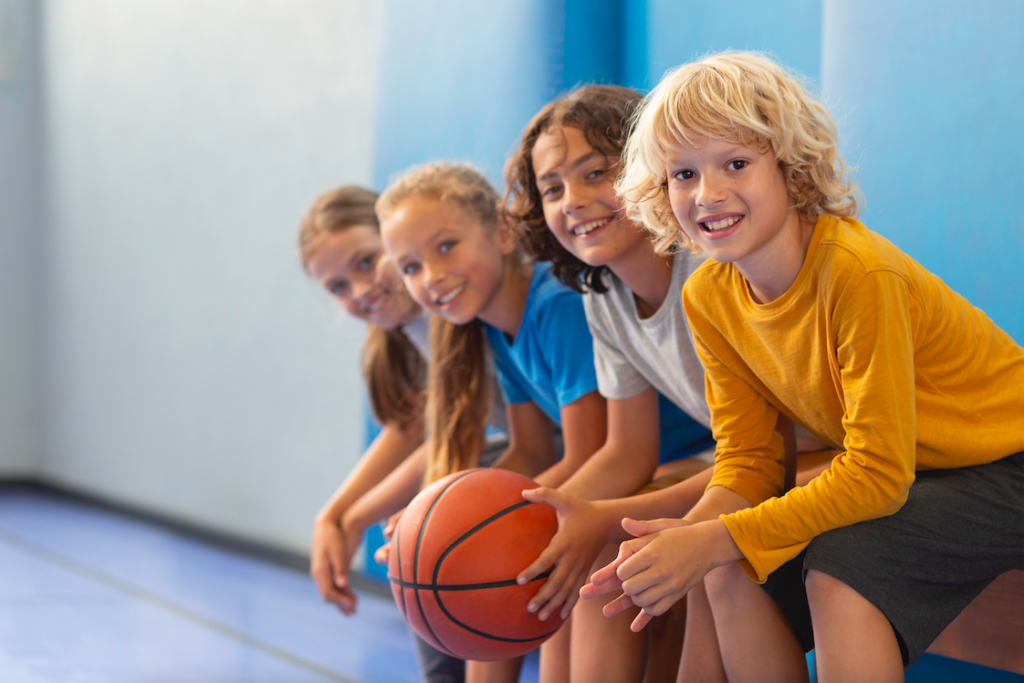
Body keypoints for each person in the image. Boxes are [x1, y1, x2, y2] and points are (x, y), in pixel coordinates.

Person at [583, 51, 1024, 683]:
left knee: (843, 564)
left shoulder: (857, 274)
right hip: (929, 475)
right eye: (683, 173)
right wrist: (681, 541)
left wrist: (713, 536)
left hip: (1009, 465)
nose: (707, 193)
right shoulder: (708, 297)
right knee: (728, 568)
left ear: (791, 170)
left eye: (736, 163)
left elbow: (877, 476)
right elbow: (751, 462)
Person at [504, 85, 834, 683]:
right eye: (552, 189)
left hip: (823, 459)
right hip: (752, 463)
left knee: (696, 547)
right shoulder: (603, 296)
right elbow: (627, 452)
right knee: (606, 548)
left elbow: (768, 455)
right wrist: (544, 522)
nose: (573, 201)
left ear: (652, 172)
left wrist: (606, 518)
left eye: (596, 173)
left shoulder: (713, 265)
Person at [376, 162, 611, 683]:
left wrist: (460, 528)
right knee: (470, 551)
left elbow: (591, 455)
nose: (431, 276)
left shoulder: (555, 305)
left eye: (446, 246)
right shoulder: (496, 326)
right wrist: (431, 521)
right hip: (619, 472)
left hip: (671, 463)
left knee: (496, 552)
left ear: (503, 234)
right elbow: (531, 451)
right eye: (410, 267)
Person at [300, 185, 504, 683]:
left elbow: (454, 435)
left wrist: (355, 518)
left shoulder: (449, 307)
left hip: (550, 447)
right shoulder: (401, 333)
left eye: (366, 262)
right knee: (424, 516)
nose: (359, 291)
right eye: (337, 287)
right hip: (517, 446)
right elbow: (410, 428)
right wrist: (334, 516)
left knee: (432, 517)